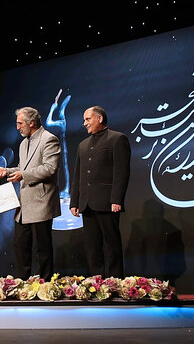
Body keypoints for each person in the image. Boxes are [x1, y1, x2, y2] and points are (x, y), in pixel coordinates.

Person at [0, 107, 61, 280]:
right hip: (23, 206)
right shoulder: (24, 143)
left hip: (40, 202)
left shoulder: (49, 139)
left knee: (42, 250)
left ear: (31, 123)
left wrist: (23, 174)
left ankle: (46, 285)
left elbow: (50, 168)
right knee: (20, 247)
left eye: (20, 123)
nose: (17, 127)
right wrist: (7, 171)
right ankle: (22, 285)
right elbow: (24, 168)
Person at [70, 106, 131, 278]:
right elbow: (78, 176)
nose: (85, 124)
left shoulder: (117, 139)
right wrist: (75, 201)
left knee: (111, 245)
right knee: (92, 247)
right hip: (87, 204)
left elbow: (121, 173)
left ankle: (116, 282)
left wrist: (117, 199)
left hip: (108, 203)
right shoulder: (82, 145)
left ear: (100, 119)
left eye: (88, 119)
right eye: (84, 120)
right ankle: (96, 282)